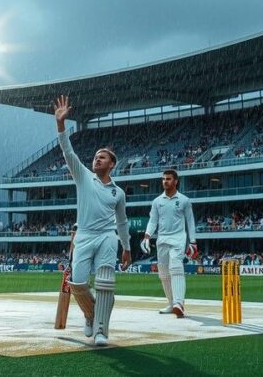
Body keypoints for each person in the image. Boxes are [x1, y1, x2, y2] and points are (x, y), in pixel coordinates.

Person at [54, 95, 131, 347]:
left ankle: (101, 331)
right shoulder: (84, 177)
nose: (96, 159)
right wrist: (61, 125)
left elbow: (122, 223)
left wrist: (127, 248)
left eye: (102, 157)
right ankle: (91, 314)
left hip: (107, 237)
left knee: (106, 283)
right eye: (96, 156)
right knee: (76, 282)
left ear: (112, 164)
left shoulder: (118, 192)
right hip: (84, 235)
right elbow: (68, 151)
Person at [141, 169, 196, 318]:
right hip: (162, 239)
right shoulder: (157, 201)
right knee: (163, 274)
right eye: (164, 179)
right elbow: (153, 221)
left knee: (176, 267)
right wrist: (147, 236)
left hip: (178, 238)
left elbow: (190, 221)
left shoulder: (184, 200)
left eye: (169, 179)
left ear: (176, 181)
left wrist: (193, 241)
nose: (165, 181)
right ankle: (172, 304)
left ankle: (179, 303)